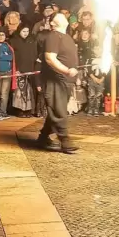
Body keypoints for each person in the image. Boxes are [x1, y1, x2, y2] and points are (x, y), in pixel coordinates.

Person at [36, 13, 79, 153]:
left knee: (55, 109)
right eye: (60, 16)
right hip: (55, 79)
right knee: (59, 110)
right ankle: (65, 140)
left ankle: (43, 138)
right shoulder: (53, 36)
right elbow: (50, 58)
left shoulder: (67, 37)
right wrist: (66, 70)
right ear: (53, 23)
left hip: (66, 80)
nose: (65, 16)